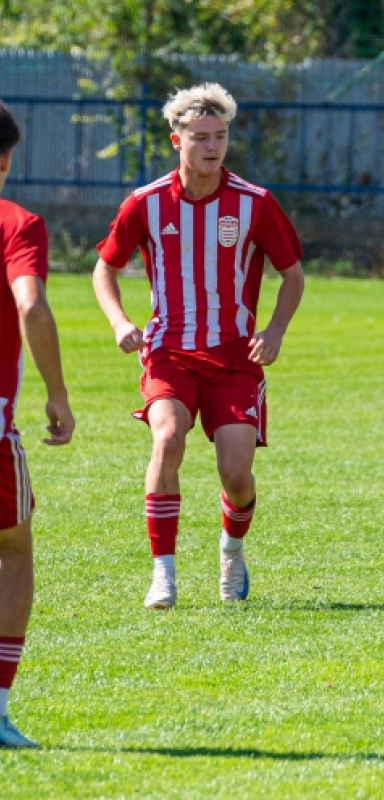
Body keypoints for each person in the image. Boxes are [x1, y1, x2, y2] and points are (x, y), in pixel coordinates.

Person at [93, 83, 304, 610]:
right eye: (201, 137)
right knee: (166, 440)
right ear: (176, 141)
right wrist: (119, 320)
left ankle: (231, 551)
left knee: (235, 473)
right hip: (170, 352)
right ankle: (162, 575)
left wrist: (274, 330)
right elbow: (106, 269)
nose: (213, 146)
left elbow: (293, 275)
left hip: (235, 356)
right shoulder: (145, 203)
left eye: (221, 136)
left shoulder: (254, 203)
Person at [0, 101, 75, 748]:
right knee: (13, 548)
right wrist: (57, 393)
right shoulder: (17, 224)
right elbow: (31, 305)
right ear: (6, 159)